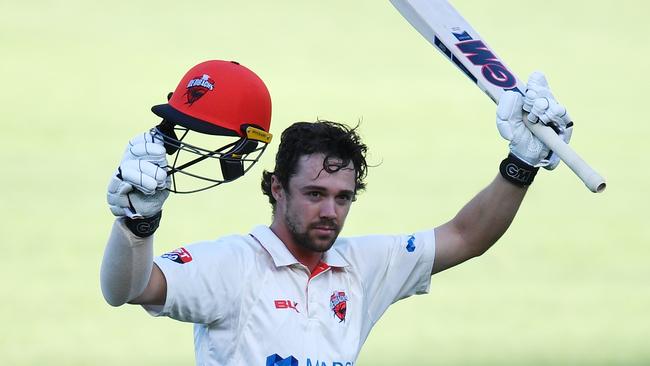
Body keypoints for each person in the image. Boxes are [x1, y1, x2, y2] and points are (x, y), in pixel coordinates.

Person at [101, 60, 573, 366]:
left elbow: (467, 237)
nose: (329, 211)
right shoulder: (233, 266)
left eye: (342, 197)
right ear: (275, 188)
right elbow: (127, 289)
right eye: (314, 193)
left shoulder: (363, 267)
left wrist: (521, 165)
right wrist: (137, 225)